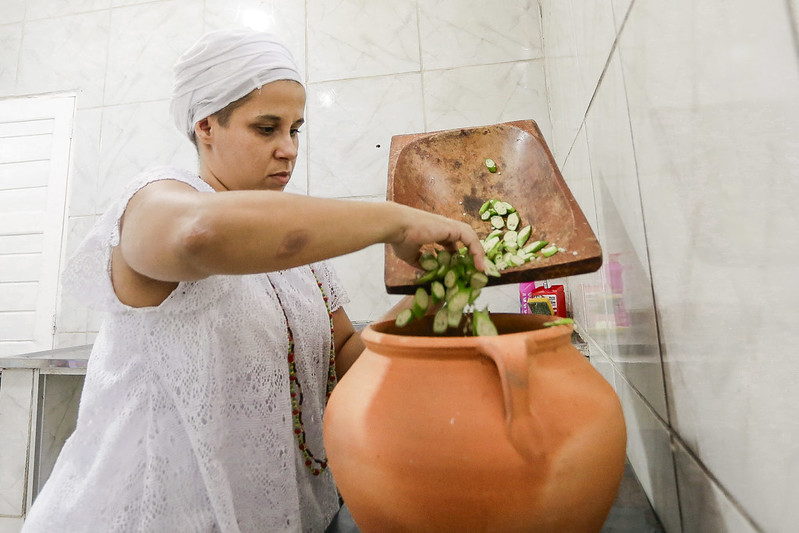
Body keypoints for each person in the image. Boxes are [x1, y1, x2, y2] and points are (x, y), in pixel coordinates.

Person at [21, 28, 485, 533]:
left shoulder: (302, 249)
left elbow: (345, 356)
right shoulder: (154, 200)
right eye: (267, 129)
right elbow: (198, 235)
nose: (288, 149)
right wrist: (396, 222)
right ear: (206, 125)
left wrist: (431, 299)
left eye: (296, 129)